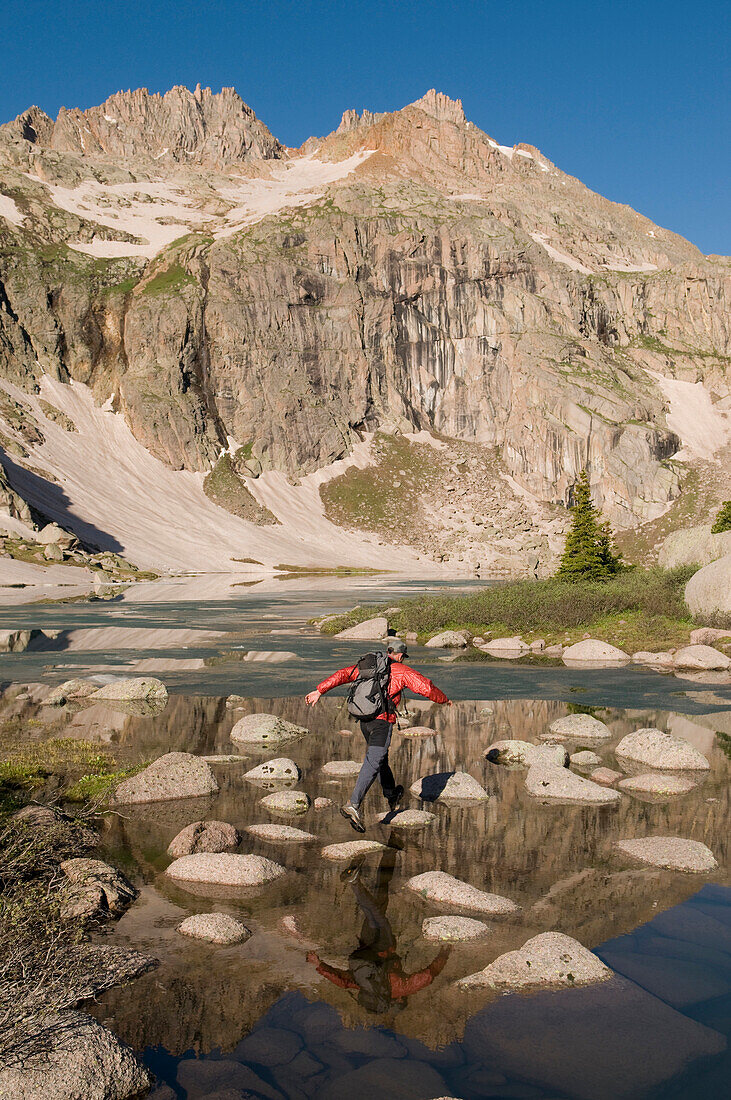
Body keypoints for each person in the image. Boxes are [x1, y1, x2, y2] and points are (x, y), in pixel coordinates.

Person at [305, 638, 451, 832]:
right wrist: (444, 700)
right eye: (403, 656)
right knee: (374, 761)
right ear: (399, 655)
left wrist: (319, 690)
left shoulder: (369, 665)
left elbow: (342, 675)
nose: (403, 658)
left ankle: (391, 793)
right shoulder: (402, 670)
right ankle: (353, 805)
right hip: (382, 722)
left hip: (365, 721)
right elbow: (426, 687)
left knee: (381, 759)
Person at [306, 849, 450, 1014]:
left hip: (383, 946)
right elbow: (344, 982)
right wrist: (319, 964)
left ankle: (356, 882)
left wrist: (444, 954)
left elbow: (428, 976)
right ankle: (384, 859)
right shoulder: (367, 987)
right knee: (375, 909)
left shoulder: (400, 990)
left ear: (399, 1000)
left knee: (376, 912)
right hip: (365, 948)